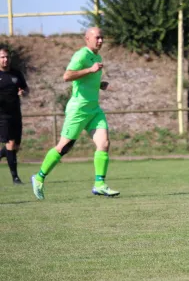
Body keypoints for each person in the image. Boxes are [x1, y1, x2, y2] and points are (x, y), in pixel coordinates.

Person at [31, 27, 119, 200]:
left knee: (104, 143)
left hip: (94, 109)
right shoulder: (81, 56)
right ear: (87, 39)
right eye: (97, 38)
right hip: (78, 110)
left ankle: (99, 184)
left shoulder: (97, 57)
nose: (100, 41)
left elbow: (86, 81)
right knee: (64, 147)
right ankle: (39, 177)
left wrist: (99, 84)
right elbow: (67, 76)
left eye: (102, 38)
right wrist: (90, 70)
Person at [0, 45, 28, 185]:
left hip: (16, 113)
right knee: (10, 144)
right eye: (2, 57)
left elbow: (25, 89)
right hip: (2, 116)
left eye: (7, 57)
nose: (5, 60)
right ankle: (15, 178)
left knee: (15, 146)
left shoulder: (16, 74)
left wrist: (22, 93)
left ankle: (2, 154)